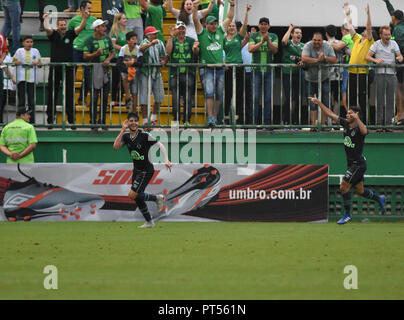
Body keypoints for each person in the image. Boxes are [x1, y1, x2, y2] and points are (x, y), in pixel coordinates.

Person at [308, 95, 386, 225]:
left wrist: (358, 119)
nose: (347, 115)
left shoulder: (359, 129)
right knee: (359, 190)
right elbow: (331, 114)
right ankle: (379, 199)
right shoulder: (345, 124)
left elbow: (365, 131)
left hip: (358, 164)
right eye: (347, 113)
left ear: (356, 115)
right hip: (353, 163)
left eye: (350, 113)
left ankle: (347, 214)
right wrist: (319, 103)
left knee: (343, 186)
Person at [113, 112, 172, 228]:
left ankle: (156, 198)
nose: (133, 123)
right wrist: (122, 130)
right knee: (136, 196)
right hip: (136, 170)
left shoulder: (144, 135)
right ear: (127, 122)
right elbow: (115, 147)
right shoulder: (126, 136)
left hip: (146, 170)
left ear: (138, 122)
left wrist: (166, 160)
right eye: (131, 121)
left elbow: (160, 145)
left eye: (135, 121)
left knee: (132, 194)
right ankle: (149, 221)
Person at [193, 0, 233, 127]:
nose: (215, 26)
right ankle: (210, 117)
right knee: (209, 92)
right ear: (206, 25)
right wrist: (194, 8)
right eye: (212, 24)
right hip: (206, 68)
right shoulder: (202, 33)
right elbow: (195, 20)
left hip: (219, 68)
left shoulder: (220, 31)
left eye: (216, 23)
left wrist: (232, 5)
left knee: (219, 94)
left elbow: (229, 17)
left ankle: (215, 117)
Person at [44, 12, 88, 128]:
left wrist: (84, 18)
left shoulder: (70, 34)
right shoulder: (53, 35)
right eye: (60, 25)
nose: (63, 27)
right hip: (55, 68)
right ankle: (50, 120)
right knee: (52, 94)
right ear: (57, 26)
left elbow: (80, 28)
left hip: (68, 68)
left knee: (70, 93)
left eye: (64, 25)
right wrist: (45, 19)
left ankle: (71, 120)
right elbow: (47, 28)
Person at [366, 26, 403, 129]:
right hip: (380, 74)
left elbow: (400, 56)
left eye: (389, 34)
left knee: (391, 100)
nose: (388, 36)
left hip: (392, 75)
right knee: (379, 100)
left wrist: (400, 58)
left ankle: (389, 124)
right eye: (385, 35)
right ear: (381, 35)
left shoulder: (394, 43)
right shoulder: (376, 44)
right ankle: (379, 124)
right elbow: (367, 56)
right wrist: (376, 61)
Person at [83, 19, 115, 130]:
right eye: (102, 26)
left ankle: (103, 121)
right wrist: (96, 54)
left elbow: (113, 52)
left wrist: (108, 59)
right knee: (94, 97)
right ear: (96, 28)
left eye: (105, 26)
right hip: (94, 71)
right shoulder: (89, 40)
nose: (105, 28)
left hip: (105, 70)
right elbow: (85, 56)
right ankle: (93, 122)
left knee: (105, 97)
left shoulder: (107, 39)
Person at [166, 20, 199, 125]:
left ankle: (187, 121)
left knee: (188, 98)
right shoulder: (173, 40)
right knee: (175, 98)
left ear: (185, 30)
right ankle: (176, 121)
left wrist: (195, 49)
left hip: (188, 73)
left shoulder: (191, 40)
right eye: (179, 28)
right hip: (174, 73)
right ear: (176, 30)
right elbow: (168, 51)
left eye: (183, 28)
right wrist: (170, 37)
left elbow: (196, 53)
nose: (181, 30)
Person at [301, 32, 336, 129]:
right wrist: (317, 60)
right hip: (310, 79)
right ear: (312, 39)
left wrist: (324, 57)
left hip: (324, 78)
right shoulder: (308, 45)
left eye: (319, 40)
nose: (316, 42)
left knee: (325, 101)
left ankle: (323, 124)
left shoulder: (327, 46)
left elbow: (334, 59)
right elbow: (303, 58)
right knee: (312, 102)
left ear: (322, 40)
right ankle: (313, 125)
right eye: (314, 40)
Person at [347, 3, 374, 125]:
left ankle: (364, 122)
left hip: (363, 73)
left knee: (363, 99)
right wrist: (347, 14)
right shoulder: (357, 39)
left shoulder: (370, 41)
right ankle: (352, 121)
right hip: (352, 73)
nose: (364, 31)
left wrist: (368, 14)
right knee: (352, 98)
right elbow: (350, 27)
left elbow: (369, 27)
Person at [223, 3, 250, 125]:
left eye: (233, 26)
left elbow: (244, 26)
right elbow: (219, 52)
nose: (232, 27)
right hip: (228, 68)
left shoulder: (239, 37)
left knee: (239, 92)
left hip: (238, 67)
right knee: (228, 92)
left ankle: (238, 115)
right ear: (227, 28)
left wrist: (246, 12)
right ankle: (226, 115)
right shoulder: (223, 39)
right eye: (230, 26)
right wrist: (224, 63)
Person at [248, 17, 278, 126]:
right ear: (258, 25)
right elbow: (250, 49)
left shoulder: (274, 36)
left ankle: (267, 122)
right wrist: (261, 42)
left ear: (269, 26)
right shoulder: (253, 36)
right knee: (255, 97)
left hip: (269, 71)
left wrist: (268, 40)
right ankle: (253, 122)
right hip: (256, 71)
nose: (263, 26)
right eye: (261, 24)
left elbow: (275, 50)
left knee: (268, 97)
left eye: (266, 24)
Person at [68, 1, 97, 106]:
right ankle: (69, 99)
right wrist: (84, 19)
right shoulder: (74, 20)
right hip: (76, 50)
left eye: (91, 9)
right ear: (81, 9)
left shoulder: (94, 21)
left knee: (88, 77)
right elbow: (73, 33)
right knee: (71, 75)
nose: (90, 11)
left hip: (89, 52)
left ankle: (82, 98)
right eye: (88, 8)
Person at [138, 26, 167, 126]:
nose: (156, 35)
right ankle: (145, 121)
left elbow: (164, 55)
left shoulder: (160, 43)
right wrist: (150, 44)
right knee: (144, 97)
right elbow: (141, 50)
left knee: (159, 96)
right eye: (154, 33)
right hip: (146, 72)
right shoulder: (144, 42)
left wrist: (163, 61)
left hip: (157, 72)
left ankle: (154, 118)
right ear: (148, 35)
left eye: (156, 33)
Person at [383, 0, 404, 125]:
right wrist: (387, 2)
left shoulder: (398, 30)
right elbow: (392, 12)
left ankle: (400, 113)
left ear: (394, 19)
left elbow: (399, 46)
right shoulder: (400, 24)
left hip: (401, 63)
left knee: (399, 88)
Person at [13, 36, 41, 124]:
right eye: (27, 41)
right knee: (21, 100)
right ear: (23, 43)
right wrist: (16, 62)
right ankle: (20, 121)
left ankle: (31, 121)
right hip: (21, 78)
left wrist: (37, 63)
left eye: (31, 42)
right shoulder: (19, 51)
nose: (29, 43)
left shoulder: (35, 51)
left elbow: (39, 63)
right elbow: (13, 61)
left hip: (31, 79)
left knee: (31, 101)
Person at [281, 24, 305, 127]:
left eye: (300, 33)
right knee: (289, 97)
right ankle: (286, 120)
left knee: (298, 97)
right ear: (292, 34)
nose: (299, 34)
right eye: (296, 33)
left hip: (299, 74)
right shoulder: (289, 43)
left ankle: (295, 120)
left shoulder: (303, 46)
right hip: (287, 74)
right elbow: (283, 41)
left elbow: (306, 59)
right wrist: (290, 28)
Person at [117, 31, 144, 113]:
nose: (135, 41)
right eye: (133, 39)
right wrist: (127, 70)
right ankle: (128, 97)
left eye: (136, 39)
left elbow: (141, 63)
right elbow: (119, 63)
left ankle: (134, 110)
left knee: (135, 92)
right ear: (128, 41)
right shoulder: (123, 48)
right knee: (124, 77)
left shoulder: (138, 49)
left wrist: (132, 64)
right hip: (126, 71)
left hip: (135, 71)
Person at [325, 24, 346, 122]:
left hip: (326, 75)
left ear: (326, 34)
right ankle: (335, 120)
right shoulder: (341, 43)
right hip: (339, 75)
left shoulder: (323, 43)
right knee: (337, 98)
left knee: (327, 97)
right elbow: (350, 52)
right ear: (336, 32)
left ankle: (328, 121)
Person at [110, 13, 129, 108]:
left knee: (123, 79)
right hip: (116, 57)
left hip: (125, 58)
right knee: (115, 79)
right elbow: (113, 45)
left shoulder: (128, 31)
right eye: (123, 19)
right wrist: (124, 48)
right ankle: (113, 99)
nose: (126, 20)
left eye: (126, 18)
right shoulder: (115, 31)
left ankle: (120, 99)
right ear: (118, 20)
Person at [0, 47, 16, 124]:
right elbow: (4, 68)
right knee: (1, 104)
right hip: (4, 83)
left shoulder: (8, 54)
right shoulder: (2, 54)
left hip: (8, 84)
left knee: (3, 104)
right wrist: (12, 78)